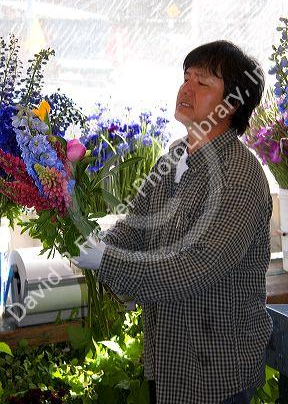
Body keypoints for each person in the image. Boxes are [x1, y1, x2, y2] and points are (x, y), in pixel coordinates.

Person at [74, 40, 273, 403]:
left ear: (230, 105)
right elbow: (137, 226)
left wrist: (105, 260)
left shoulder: (240, 175)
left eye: (203, 82)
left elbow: (196, 267)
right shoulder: (176, 156)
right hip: (171, 357)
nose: (186, 88)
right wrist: (91, 238)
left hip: (215, 370)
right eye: (186, 77)